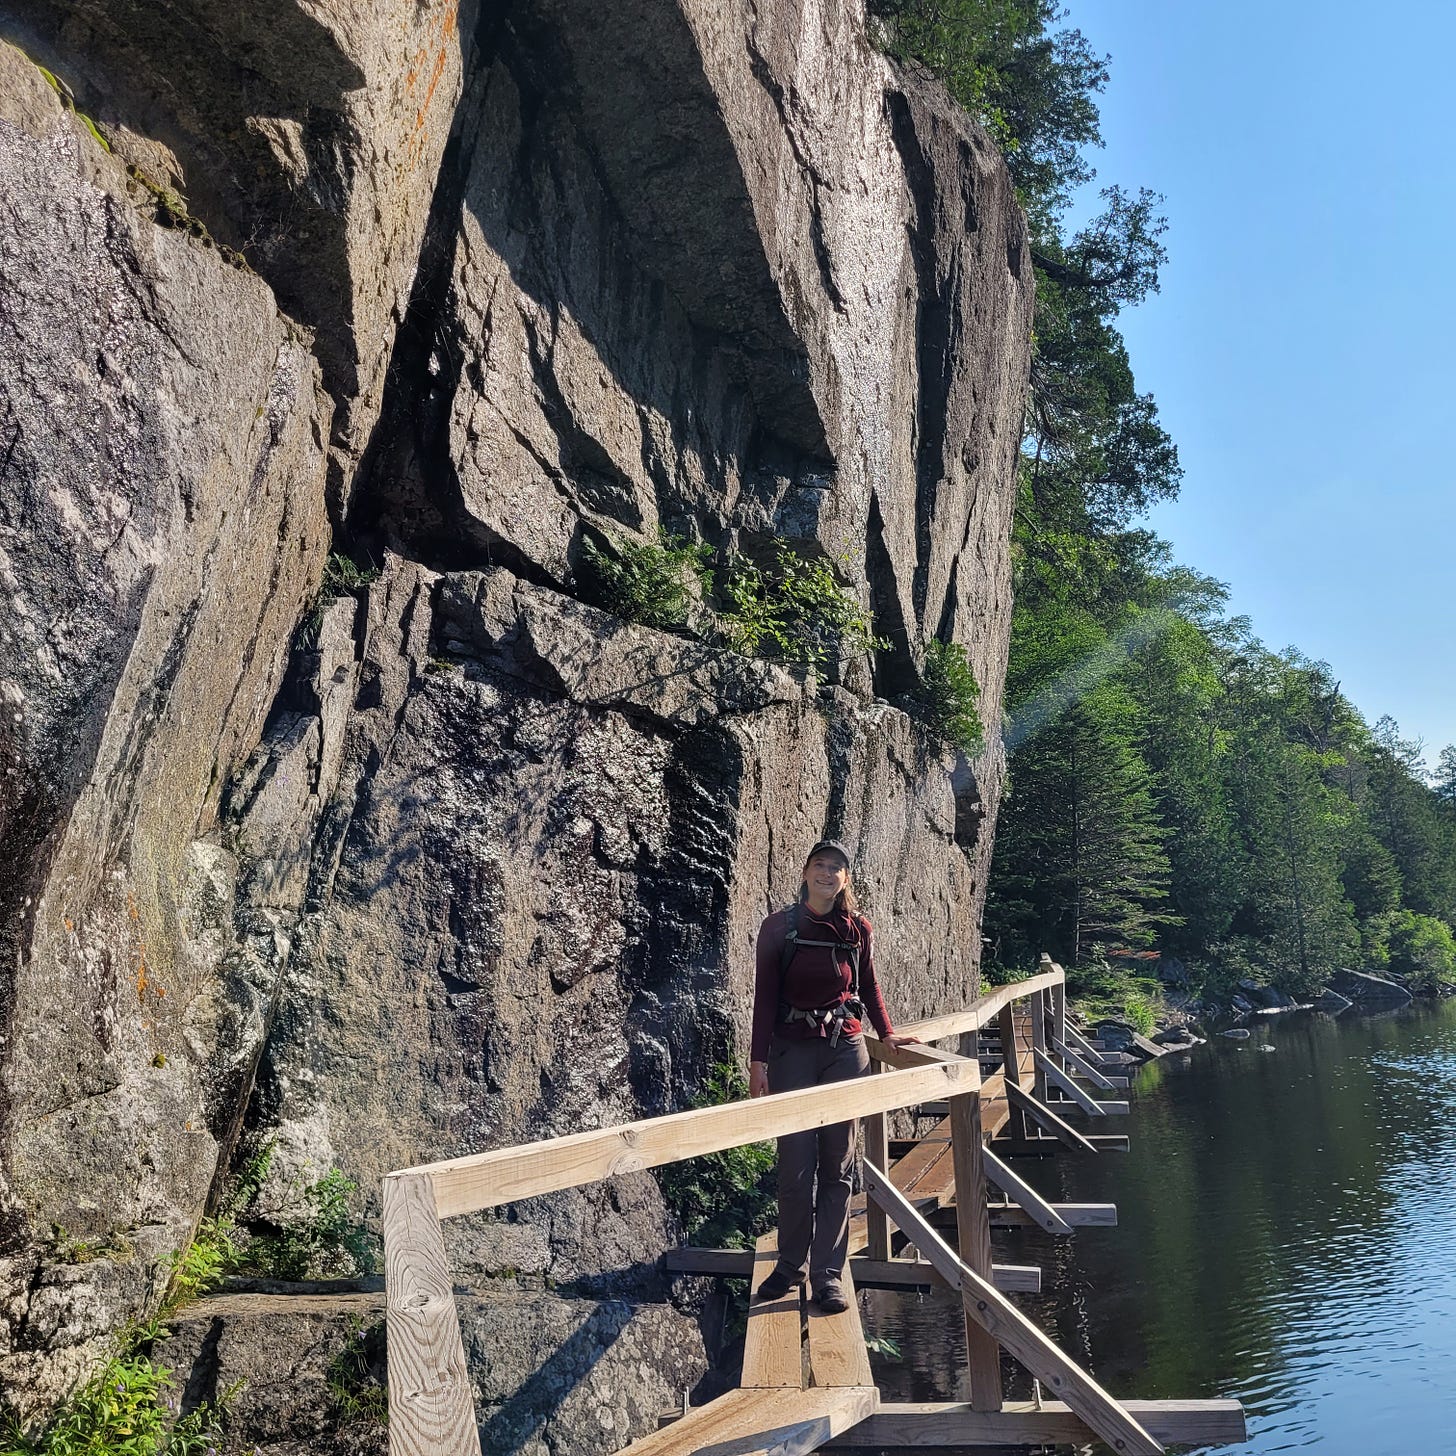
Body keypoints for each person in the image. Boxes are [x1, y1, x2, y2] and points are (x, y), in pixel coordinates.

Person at [747, 839, 917, 1314]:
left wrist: (888, 1034)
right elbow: (765, 998)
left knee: (838, 1165)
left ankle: (827, 1275)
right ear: (805, 873)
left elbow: (869, 983)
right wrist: (758, 1062)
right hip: (792, 1052)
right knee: (795, 1166)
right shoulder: (779, 928)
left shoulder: (857, 928)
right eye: (819, 865)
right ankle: (789, 1264)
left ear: (846, 878)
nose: (827, 873)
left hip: (846, 1049)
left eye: (836, 867)